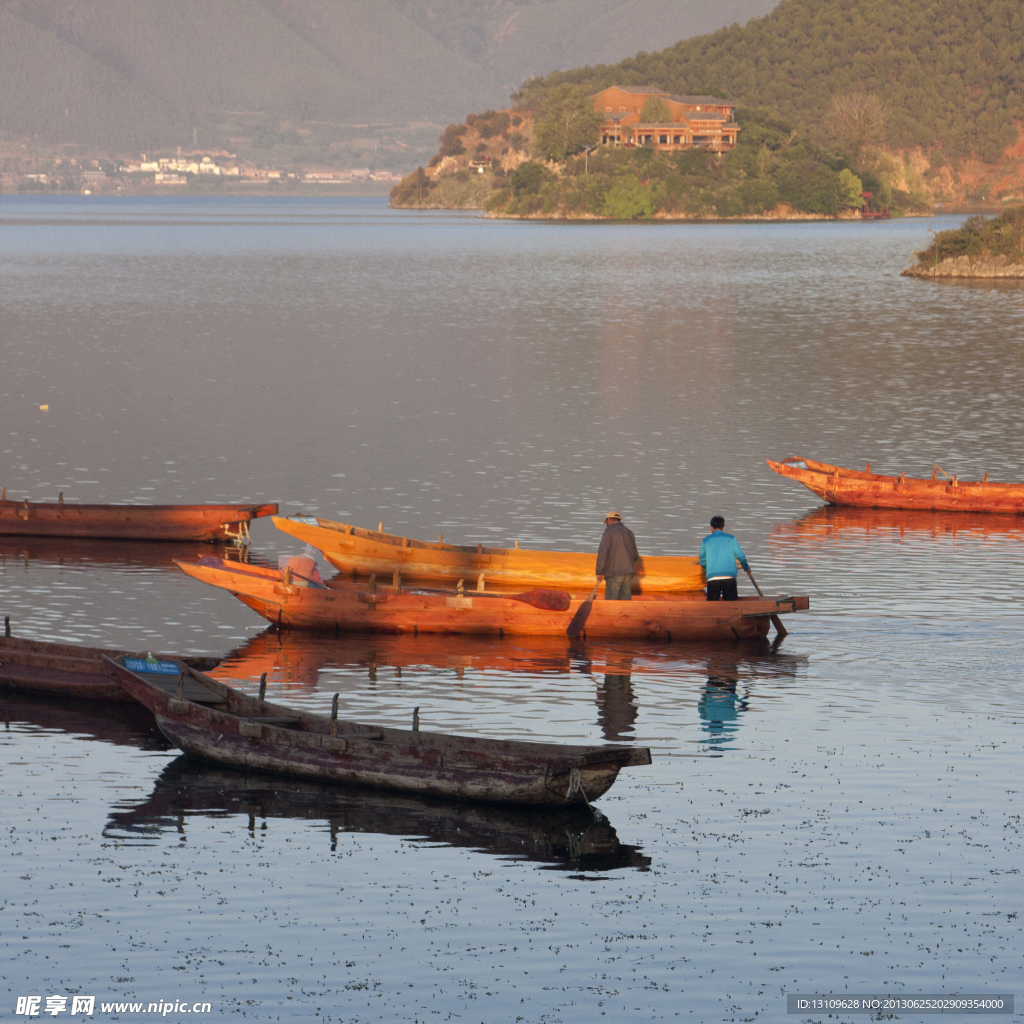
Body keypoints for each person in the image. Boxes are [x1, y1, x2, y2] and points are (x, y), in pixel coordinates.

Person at [698, 515, 749, 601]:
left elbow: (702, 559)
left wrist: (709, 568)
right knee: (732, 606)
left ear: (711, 527)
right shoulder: (731, 539)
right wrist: (746, 567)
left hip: (713, 578)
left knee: (711, 607)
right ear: (723, 527)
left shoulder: (706, 540)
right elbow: (740, 556)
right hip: (729, 577)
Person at [595, 511, 639, 600]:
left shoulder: (609, 531)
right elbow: (635, 555)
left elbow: (603, 552)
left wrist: (600, 571)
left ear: (609, 520)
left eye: (606, 522)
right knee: (625, 603)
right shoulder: (629, 532)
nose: (606, 525)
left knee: (611, 602)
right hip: (628, 573)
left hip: (614, 573)